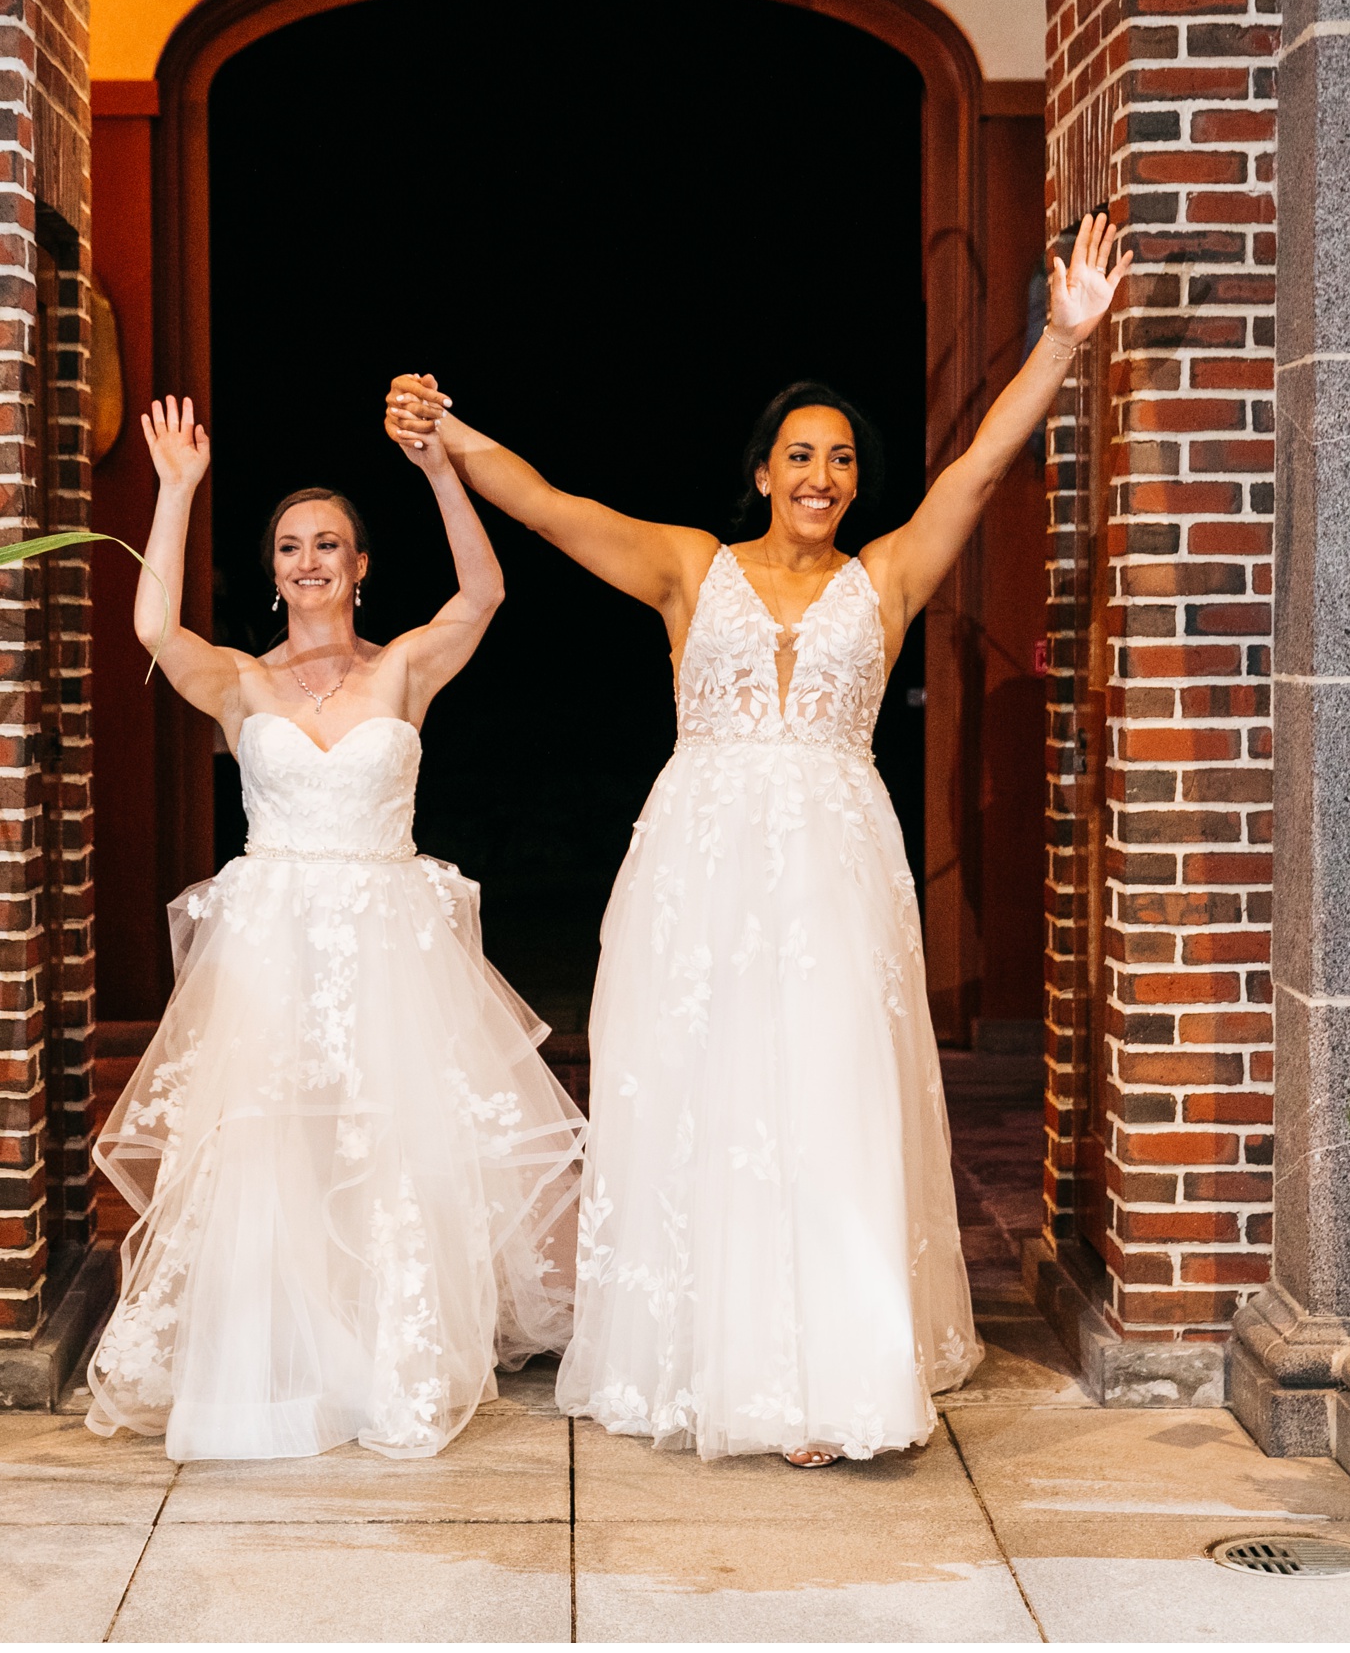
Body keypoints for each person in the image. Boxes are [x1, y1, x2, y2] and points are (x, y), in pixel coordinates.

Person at [384, 213, 1132, 1465]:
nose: (821, 477)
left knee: (827, 1097)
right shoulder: (690, 569)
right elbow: (556, 510)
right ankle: (703, 1351)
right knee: (707, 1093)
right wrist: (440, 432)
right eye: (800, 455)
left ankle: (827, 1368)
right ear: (763, 469)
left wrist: (1062, 341)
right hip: (700, 865)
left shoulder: (884, 579)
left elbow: (979, 475)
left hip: (835, 866)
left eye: (840, 459)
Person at [84, 395, 584, 1461]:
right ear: (272, 571)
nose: (308, 561)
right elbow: (149, 630)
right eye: (289, 548)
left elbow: (486, 589)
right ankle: (271, 1363)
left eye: (328, 546)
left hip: (389, 942)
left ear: (360, 566)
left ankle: (384, 1362)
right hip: (269, 941)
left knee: (387, 1145)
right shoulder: (241, 679)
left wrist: (440, 466)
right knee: (273, 1147)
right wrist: (173, 491)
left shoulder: (402, 667)